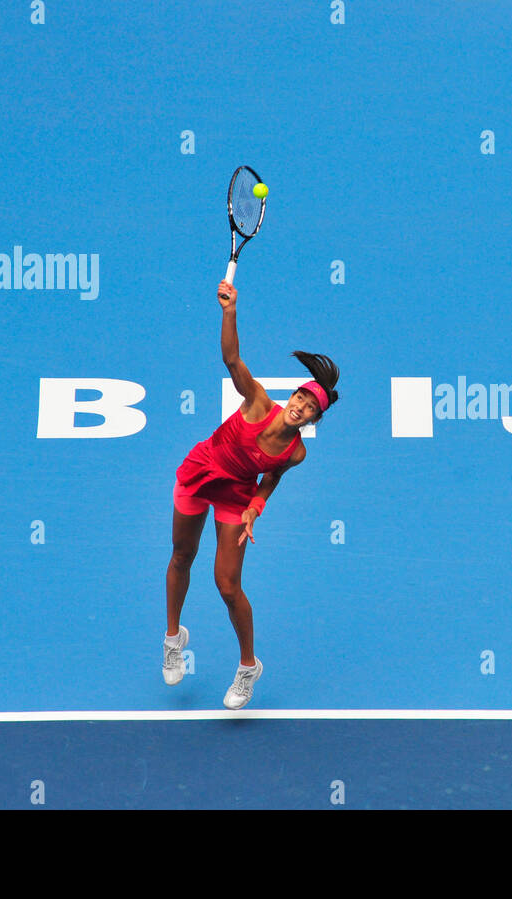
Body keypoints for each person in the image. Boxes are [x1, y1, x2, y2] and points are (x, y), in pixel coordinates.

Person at [162, 279, 340, 709]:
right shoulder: (258, 402)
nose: (300, 405)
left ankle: (247, 667)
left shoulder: (295, 453)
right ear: (291, 396)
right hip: (200, 471)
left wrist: (255, 508)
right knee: (182, 556)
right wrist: (229, 310)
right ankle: (173, 638)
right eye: (300, 396)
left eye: (310, 407)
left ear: (314, 418)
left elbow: (271, 478)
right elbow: (232, 358)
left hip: (234, 498)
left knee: (226, 585)